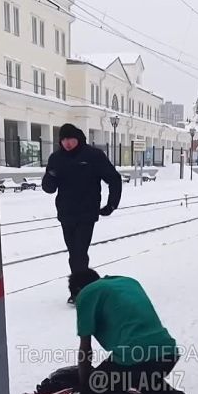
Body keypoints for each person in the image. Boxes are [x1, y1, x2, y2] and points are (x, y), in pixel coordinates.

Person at [69, 269, 191, 394]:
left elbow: (86, 348)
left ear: (77, 290)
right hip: (168, 353)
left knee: (93, 391)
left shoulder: (86, 294)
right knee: (139, 378)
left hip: (134, 357)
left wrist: (86, 384)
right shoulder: (127, 281)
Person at [42, 124, 122, 302]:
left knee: (79, 252)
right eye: (63, 139)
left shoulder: (93, 156)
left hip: (87, 212)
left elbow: (114, 178)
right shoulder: (56, 158)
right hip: (66, 213)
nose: (67, 143)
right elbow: (49, 188)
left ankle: (80, 291)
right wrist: (51, 175)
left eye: (70, 139)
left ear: (78, 138)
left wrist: (112, 204)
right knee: (74, 254)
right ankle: (83, 289)